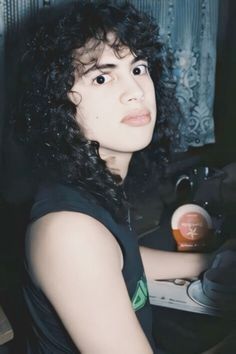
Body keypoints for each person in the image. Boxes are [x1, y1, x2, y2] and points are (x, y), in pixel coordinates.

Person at [13, 1, 214, 353]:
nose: (136, 90)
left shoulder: (93, 185)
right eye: (102, 77)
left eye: (138, 68)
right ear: (56, 101)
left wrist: (208, 262)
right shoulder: (70, 232)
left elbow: (124, 260)